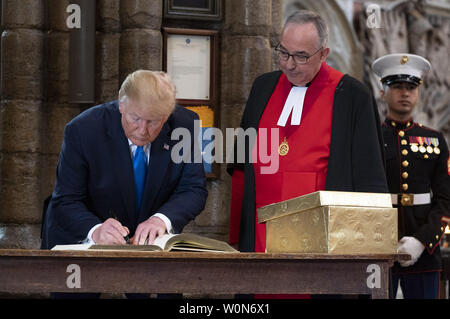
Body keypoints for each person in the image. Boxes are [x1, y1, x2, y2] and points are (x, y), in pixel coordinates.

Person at [227, 10, 388, 298]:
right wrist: (236, 241)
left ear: (324, 53)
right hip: (261, 237)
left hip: (322, 245)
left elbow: (370, 182)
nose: (290, 64)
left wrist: (367, 260)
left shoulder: (352, 95)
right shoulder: (263, 87)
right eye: (283, 53)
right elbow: (242, 169)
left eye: (301, 56)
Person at [41, 70, 207, 259]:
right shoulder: (82, 130)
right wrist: (95, 230)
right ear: (121, 104)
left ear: (166, 115)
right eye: (135, 118)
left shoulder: (185, 125)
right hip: (80, 237)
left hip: (149, 245)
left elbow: (193, 189)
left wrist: (160, 220)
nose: (143, 130)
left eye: (153, 121)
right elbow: (66, 199)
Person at [372, 53, 450, 299]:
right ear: (383, 92)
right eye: (397, 87)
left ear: (417, 93)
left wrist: (423, 241)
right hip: (377, 250)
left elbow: (446, 199)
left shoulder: (435, 140)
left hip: (424, 253)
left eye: (410, 87)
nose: (405, 93)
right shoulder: (370, 138)